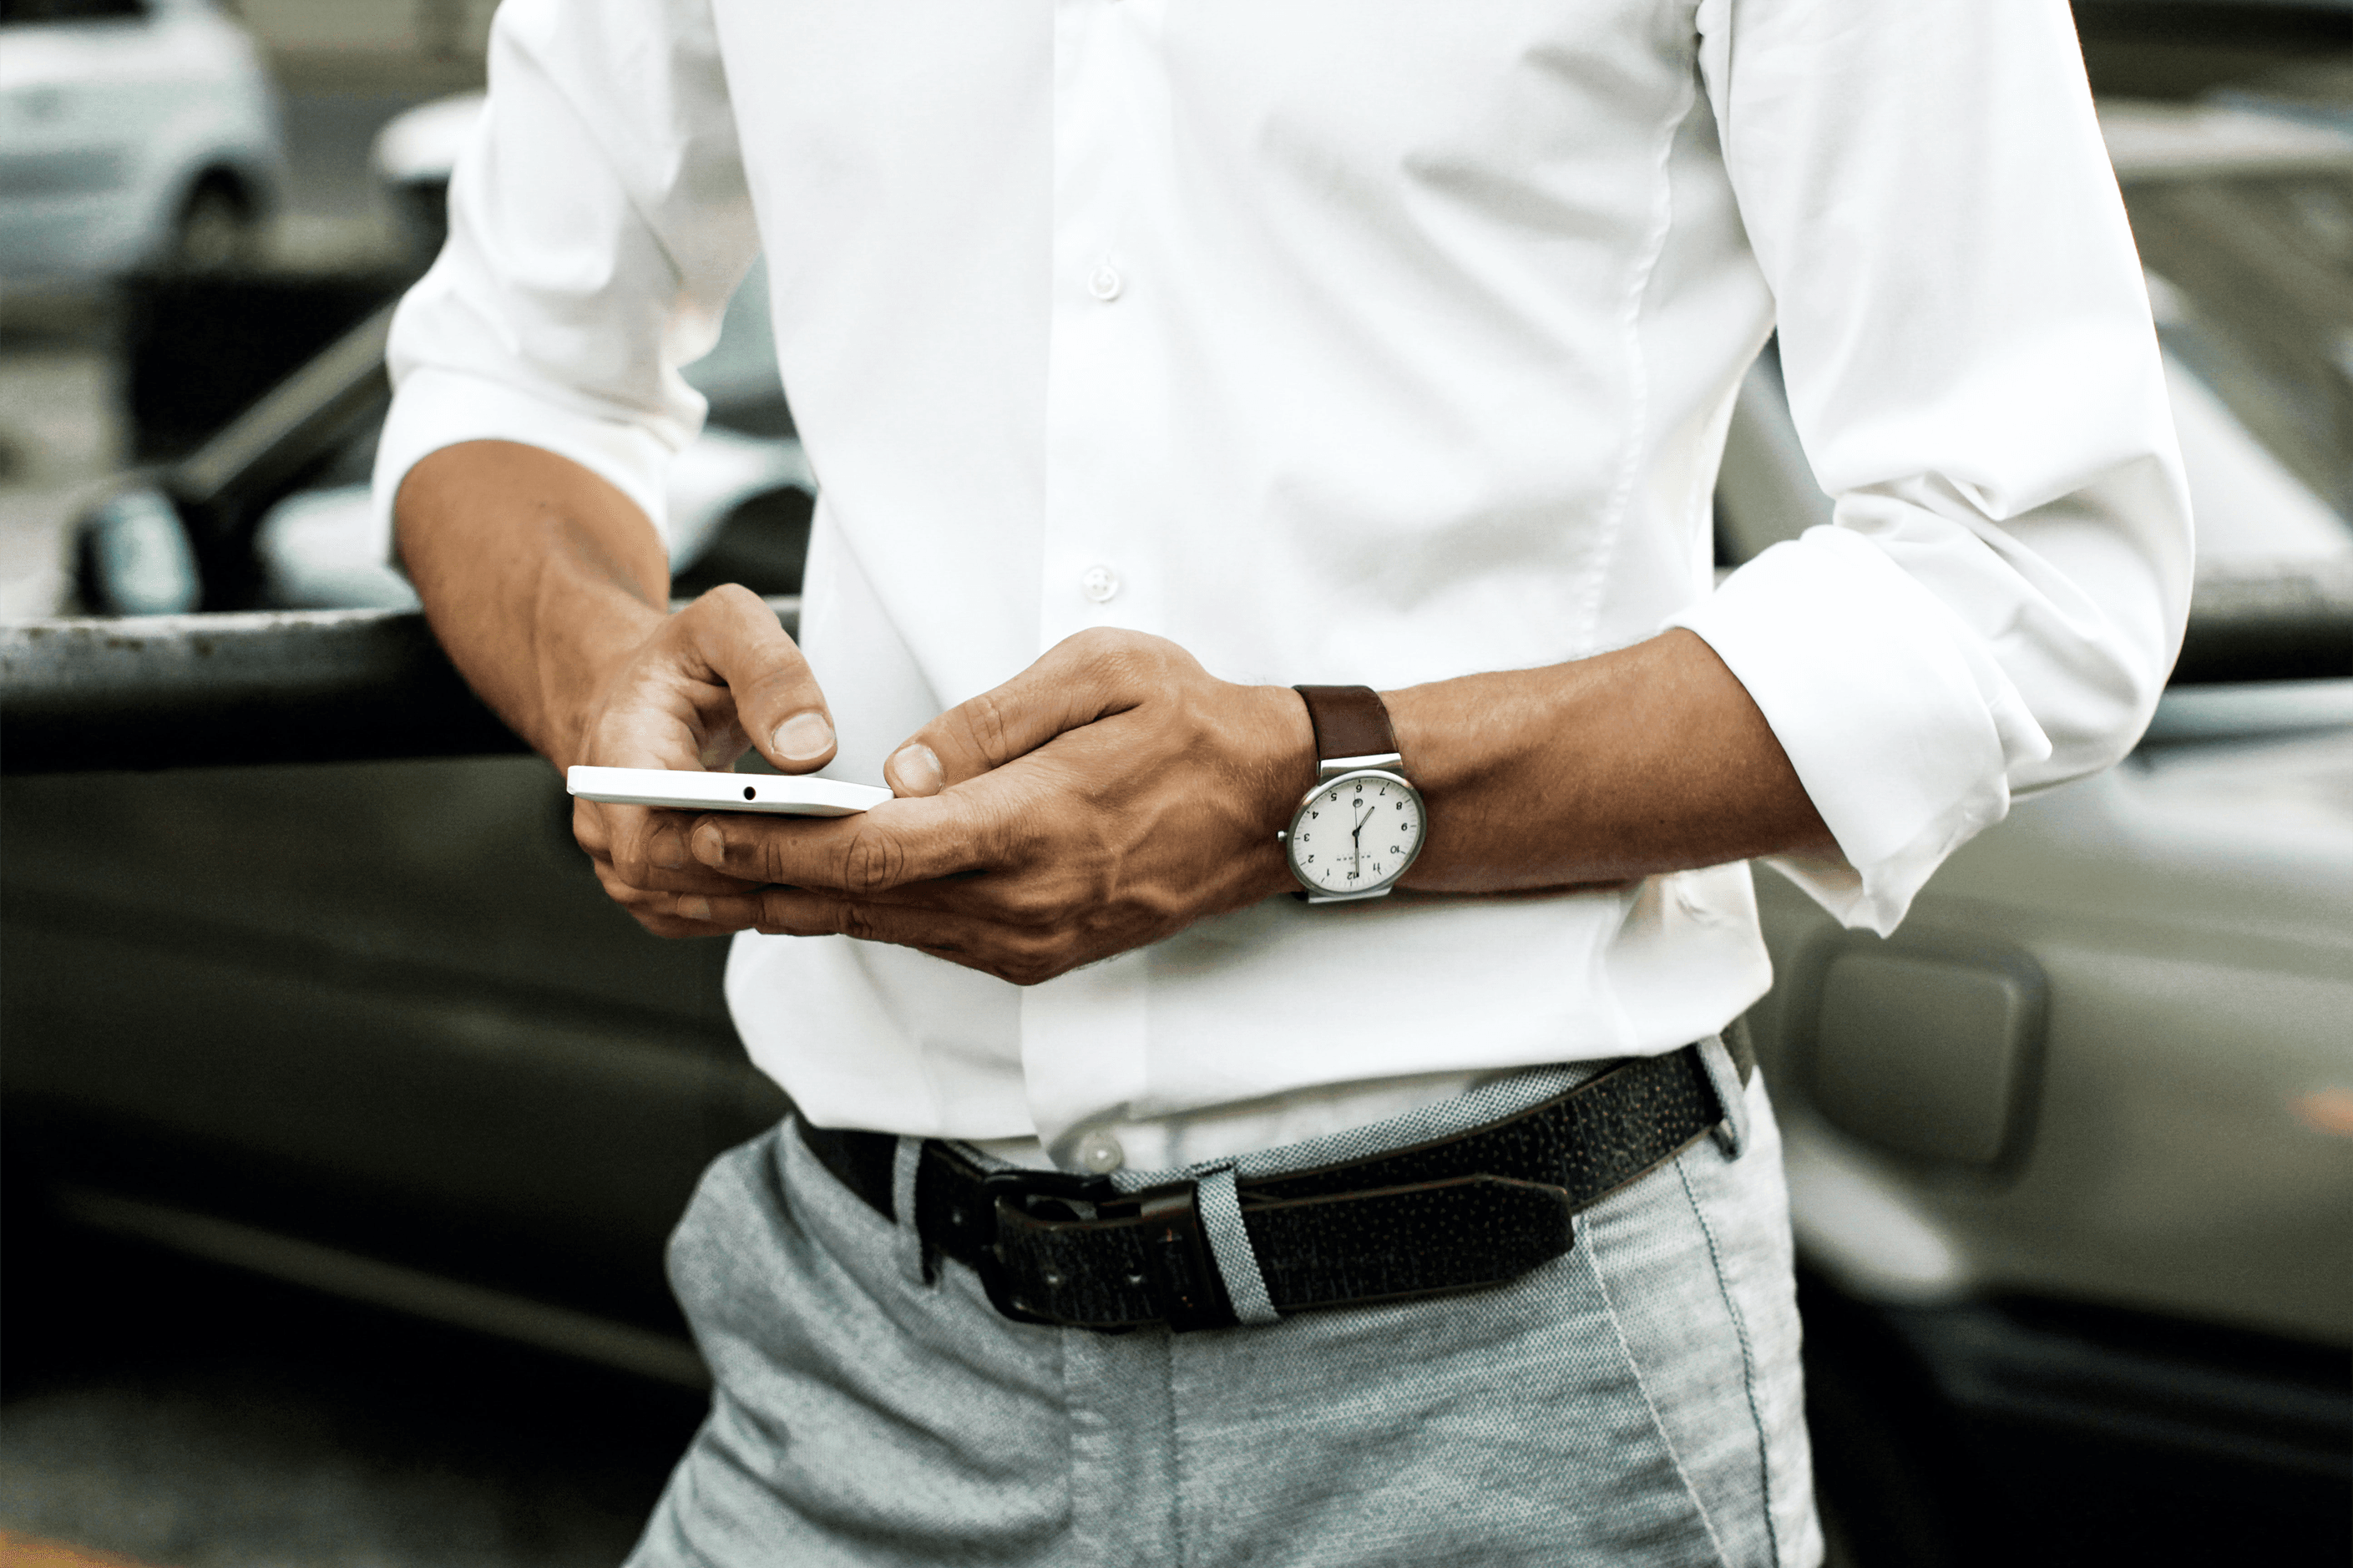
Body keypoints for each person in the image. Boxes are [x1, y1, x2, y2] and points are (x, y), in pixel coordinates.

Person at [375, 0, 2190, 1562]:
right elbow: (508, 375)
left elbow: (2030, 566)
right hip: (860, 1351)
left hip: (1510, 1377)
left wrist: (1306, 796)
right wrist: (594, 667)